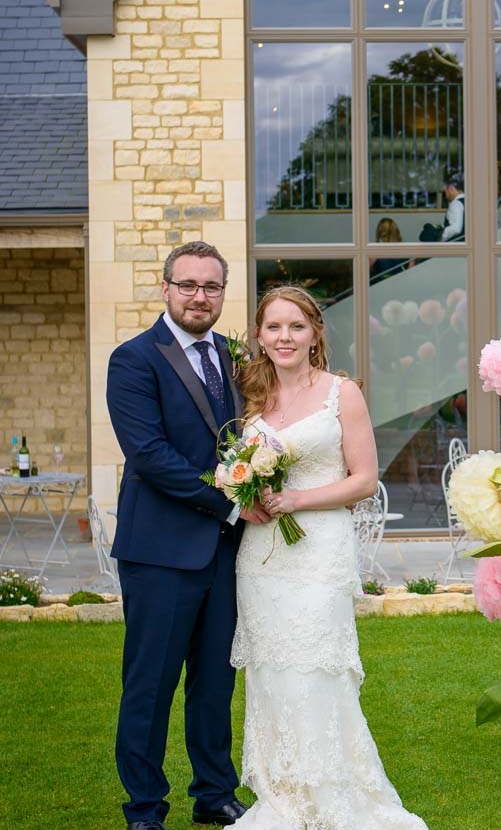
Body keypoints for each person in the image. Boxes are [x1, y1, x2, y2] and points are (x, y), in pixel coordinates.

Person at [231, 285, 427, 830]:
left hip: (319, 552)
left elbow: (363, 480)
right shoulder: (252, 396)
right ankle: (285, 797)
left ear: (315, 333)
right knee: (272, 675)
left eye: (296, 326)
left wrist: (298, 499)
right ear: (260, 336)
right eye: (274, 327)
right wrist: (245, 498)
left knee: (317, 671)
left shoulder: (343, 393)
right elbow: (238, 471)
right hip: (261, 556)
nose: (285, 337)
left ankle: (337, 797)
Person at [107, 240, 270, 830]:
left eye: (211, 287)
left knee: (215, 681)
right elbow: (150, 455)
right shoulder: (133, 360)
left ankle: (214, 794)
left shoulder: (236, 357)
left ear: (223, 293)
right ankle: (145, 807)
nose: (200, 297)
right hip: (160, 552)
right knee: (150, 684)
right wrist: (233, 503)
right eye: (188, 285)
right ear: (166, 289)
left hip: (226, 553)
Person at [369, 216, 408, 283]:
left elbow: (363, 274)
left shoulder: (375, 251)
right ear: (396, 231)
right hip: (400, 285)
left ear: (380, 232)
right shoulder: (407, 250)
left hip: (379, 286)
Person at [440, 171, 465, 241]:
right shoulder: (470, 202)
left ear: (451, 188)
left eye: (445, 191)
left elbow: (456, 229)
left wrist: (440, 237)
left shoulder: (456, 204)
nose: (445, 195)